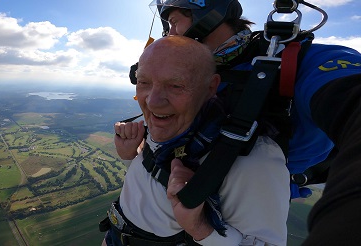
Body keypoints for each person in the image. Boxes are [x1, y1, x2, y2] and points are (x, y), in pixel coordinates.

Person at [145, 0, 361, 245]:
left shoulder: (302, 60)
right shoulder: (193, 72)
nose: (169, 34)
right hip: (188, 196)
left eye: (174, 23)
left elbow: (352, 103)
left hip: (254, 202)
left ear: (208, 14)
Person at [102, 35, 290, 245]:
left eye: (175, 85)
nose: (153, 102)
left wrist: (200, 227)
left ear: (211, 88)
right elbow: (152, 185)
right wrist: (130, 157)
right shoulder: (163, 126)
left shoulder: (252, 161)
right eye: (143, 82)